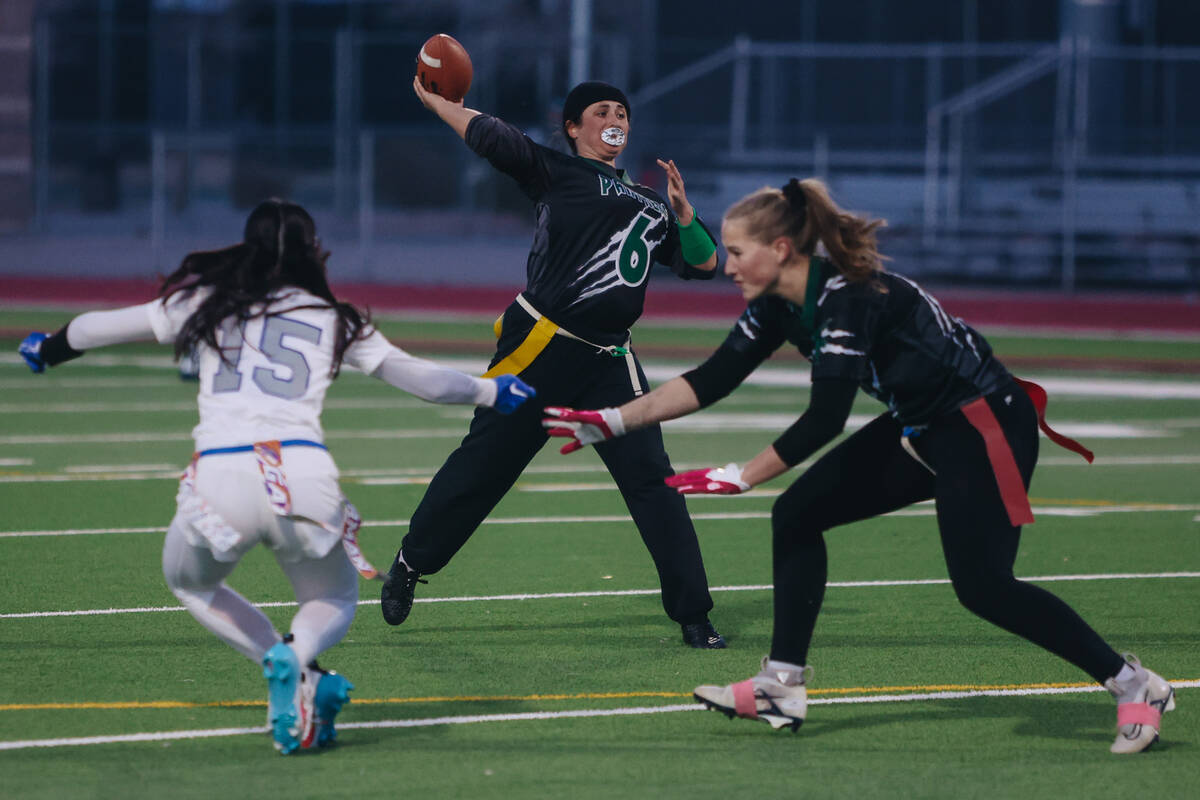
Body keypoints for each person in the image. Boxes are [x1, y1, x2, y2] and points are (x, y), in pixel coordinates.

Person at [542, 179, 1176, 753]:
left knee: (984, 588)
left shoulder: (848, 296)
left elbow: (824, 417)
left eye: (737, 252)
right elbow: (711, 380)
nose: (726, 265)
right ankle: (780, 685)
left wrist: (743, 473)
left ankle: (1132, 683)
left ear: (782, 248)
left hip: (986, 424)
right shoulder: (776, 303)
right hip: (924, 424)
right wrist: (614, 420)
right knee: (797, 515)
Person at [17, 199, 534, 754]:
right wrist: (490, 390)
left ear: (249, 246)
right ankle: (299, 658)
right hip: (302, 473)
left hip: (221, 478)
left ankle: (276, 657)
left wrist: (48, 349)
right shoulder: (335, 316)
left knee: (191, 582)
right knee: (333, 599)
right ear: (314, 252)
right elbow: (420, 379)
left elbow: (99, 327)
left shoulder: (207, 300)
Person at [381, 78, 728, 648]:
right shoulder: (558, 171)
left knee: (652, 482)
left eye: (622, 111)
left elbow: (705, 264)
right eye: (601, 110)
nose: (615, 117)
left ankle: (694, 614)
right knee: (484, 467)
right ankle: (412, 562)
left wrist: (685, 215)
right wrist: (443, 104)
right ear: (574, 127)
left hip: (612, 360)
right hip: (541, 345)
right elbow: (497, 139)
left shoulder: (648, 201)